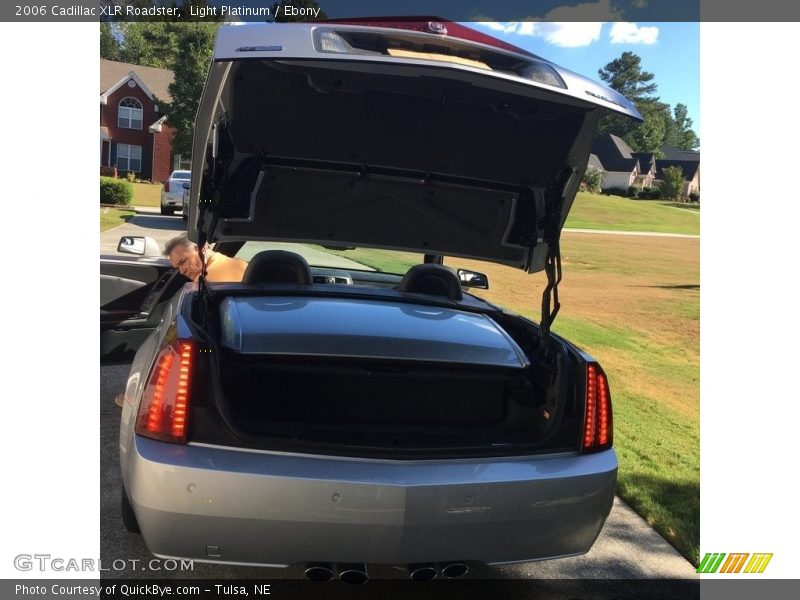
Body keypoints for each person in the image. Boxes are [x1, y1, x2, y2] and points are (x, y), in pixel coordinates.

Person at [164, 234, 247, 283]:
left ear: (202, 248)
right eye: (178, 268)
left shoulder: (202, 282)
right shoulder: (243, 265)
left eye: (183, 262)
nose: (182, 271)